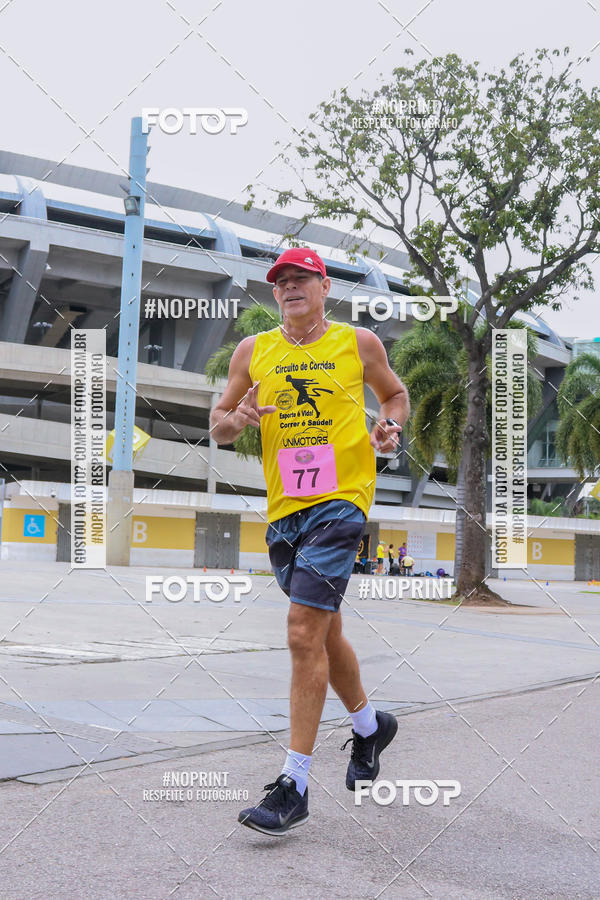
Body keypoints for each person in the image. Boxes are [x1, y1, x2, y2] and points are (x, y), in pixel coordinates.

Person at [210, 247, 410, 835]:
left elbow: (394, 396)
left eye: (302, 278)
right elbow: (219, 426)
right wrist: (237, 419)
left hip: (342, 500)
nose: (291, 287)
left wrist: (390, 426)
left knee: (302, 631)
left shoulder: (357, 343)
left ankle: (293, 785)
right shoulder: (254, 351)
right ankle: (371, 727)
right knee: (325, 631)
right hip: (285, 512)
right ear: (275, 294)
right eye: (282, 282)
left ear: (324, 287)